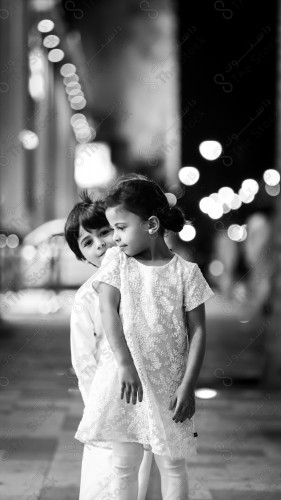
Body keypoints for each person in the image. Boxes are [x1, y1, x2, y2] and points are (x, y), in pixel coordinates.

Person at [75, 174, 215, 500]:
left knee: (173, 465)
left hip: (169, 384)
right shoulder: (116, 263)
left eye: (121, 228)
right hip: (126, 382)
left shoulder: (186, 273)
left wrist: (188, 384)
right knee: (124, 464)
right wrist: (124, 363)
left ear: (151, 224)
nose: (114, 239)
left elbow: (199, 330)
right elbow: (108, 310)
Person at [64, 191, 161, 500]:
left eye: (104, 232)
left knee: (147, 477)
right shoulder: (86, 298)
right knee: (109, 479)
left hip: (150, 397)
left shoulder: (147, 280)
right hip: (110, 401)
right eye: (87, 242)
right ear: (81, 256)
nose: (100, 244)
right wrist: (99, 409)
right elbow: (84, 362)